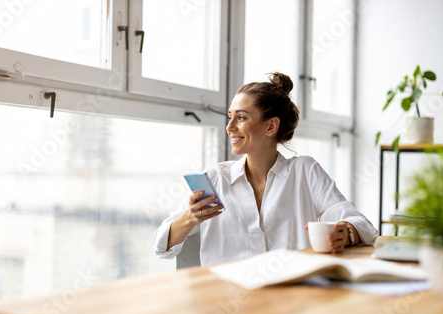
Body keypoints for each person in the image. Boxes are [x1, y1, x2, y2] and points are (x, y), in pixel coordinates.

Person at [153, 72, 378, 266]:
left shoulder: (304, 171)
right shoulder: (215, 179)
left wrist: (346, 233)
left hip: (290, 296)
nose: (229, 127)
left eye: (241, 117)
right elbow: (161, 244)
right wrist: (190, 218)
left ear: (271, 126)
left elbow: (361, 225)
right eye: (230, 117)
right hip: (226, 301)